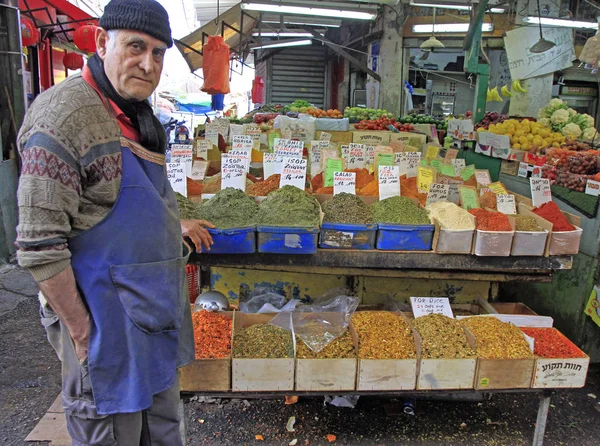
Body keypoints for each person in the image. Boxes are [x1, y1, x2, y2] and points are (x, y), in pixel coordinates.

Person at [15, 1, 213, 444]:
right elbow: (38, 246)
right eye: (136, 47)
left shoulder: (134, 110)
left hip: (149, 311)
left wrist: (168, 225)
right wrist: (83, 334)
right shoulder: (65, 116)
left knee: (160, 427)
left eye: (159, 53)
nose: (148, 64)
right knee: (111, 430)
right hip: (103, 320)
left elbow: (117, 198)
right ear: (102, 43)